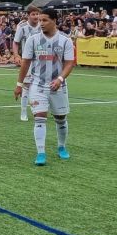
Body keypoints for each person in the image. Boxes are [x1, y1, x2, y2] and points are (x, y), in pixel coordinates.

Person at [14, 9, 76, 166]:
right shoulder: (33, 40)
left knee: (60, 119)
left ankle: (61, 147)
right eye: (40, 20)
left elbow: (69, 63)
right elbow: (26, 62)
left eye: (45, 20)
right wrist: (19, 84)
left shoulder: (65, 40)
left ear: (55, 20)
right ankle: (40, 153)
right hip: (38, 85)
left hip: (58, 86)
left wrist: (60, 79)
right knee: (39, 118)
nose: (41, 23)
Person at [12, 7, 41, 122]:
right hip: (27, 61)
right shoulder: (23, 28)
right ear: (28, 15)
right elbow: (15, 42)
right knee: (26, 86)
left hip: (41, 61)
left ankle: (38, 110)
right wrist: (16, 55)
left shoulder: (42, 26)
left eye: (37, 14)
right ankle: (23, 111)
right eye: (33, 14)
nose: (36, 16)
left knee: (41, 86)